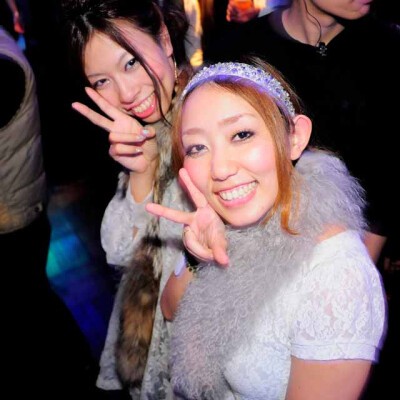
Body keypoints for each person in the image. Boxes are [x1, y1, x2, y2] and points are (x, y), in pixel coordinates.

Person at [146, 58, 387, 399]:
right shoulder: (227, 222)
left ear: (295, 137)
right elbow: (170, 309)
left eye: (241, 135)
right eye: (197, 147)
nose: (220, 169)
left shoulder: (337, 275)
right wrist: (200, 257)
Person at [61, 0, 193, 398]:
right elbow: (119, 253)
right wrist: (142, 170)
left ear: (164, 40)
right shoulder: (140, 136)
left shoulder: (212, 117)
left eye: (131, 62)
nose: (126, 93)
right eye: (102, 81)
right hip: (153, 344)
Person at [205, 0, 400, 265]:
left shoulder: (387, 50)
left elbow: (387, 181)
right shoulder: (237, 53)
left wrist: (359, 266)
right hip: (258, 258)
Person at [0, 24, 97, 398]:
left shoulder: (4, 64)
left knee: (33, 309)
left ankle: (79, 373)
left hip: (14, 221)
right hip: (18, 212)